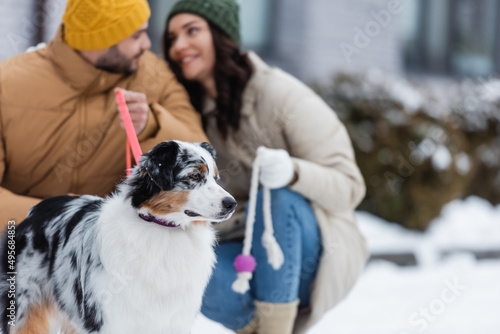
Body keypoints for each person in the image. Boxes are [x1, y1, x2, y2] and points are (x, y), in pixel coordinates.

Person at [164, 0, 369, 333]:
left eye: (192, 31)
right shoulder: (190, 109)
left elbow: (350, 187)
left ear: (221, 35)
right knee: (191, 268)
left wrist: (294, 173)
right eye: (172, 37)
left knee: (276, 195)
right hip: (239, 247)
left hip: (309, 250)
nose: (179, 46)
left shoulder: (282, 95)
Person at [0, 0, 208, 230]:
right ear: (100, 41)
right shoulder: (7, 84)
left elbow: (201, 157)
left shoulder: (155, 76)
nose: (147, 44)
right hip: (19, 243)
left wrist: (152, 124)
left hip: (115, 248)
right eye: (137, 36)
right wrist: (51, 215)